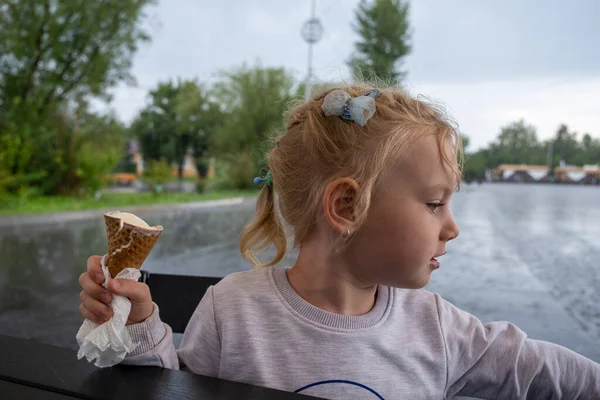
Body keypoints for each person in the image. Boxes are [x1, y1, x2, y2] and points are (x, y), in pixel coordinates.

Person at [78, 84, 600, 399]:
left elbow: (538, 371)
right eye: (435, 203)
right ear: (346, 206)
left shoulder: (438, 330)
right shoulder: (233, 308)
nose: (452, 227)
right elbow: (169, 389)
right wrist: (139, 326)